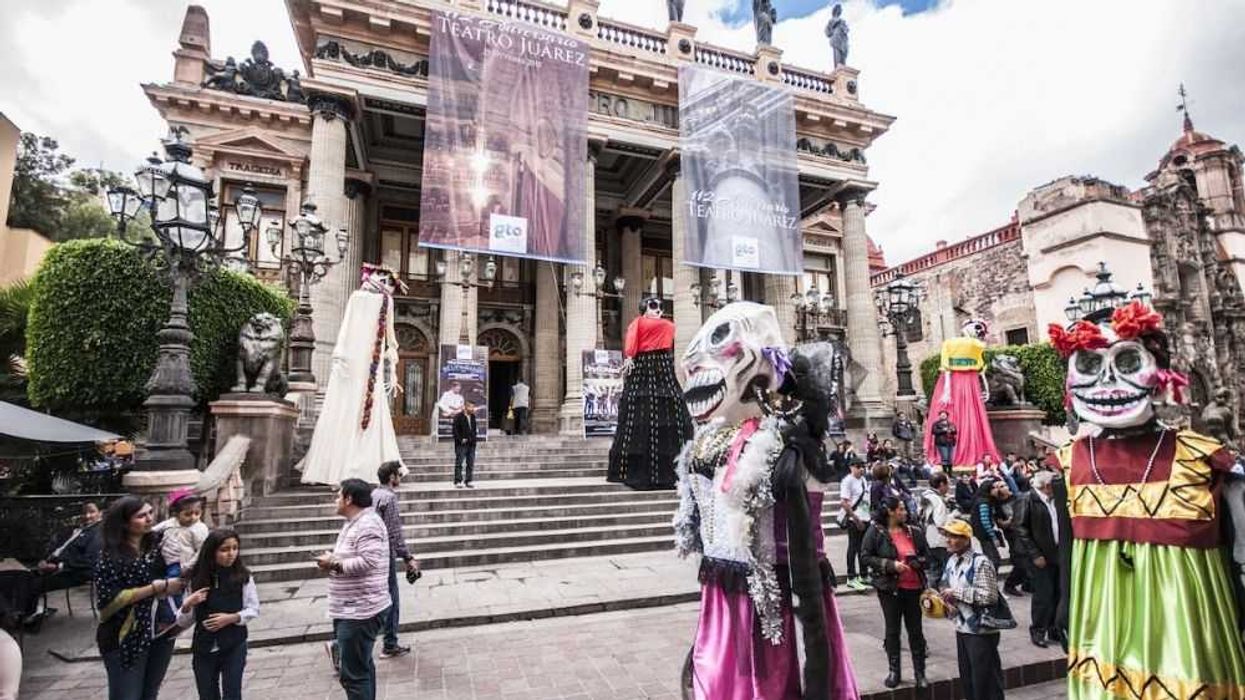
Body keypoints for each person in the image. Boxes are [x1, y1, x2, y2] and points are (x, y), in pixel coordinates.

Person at [1045, 299, 1245, 699]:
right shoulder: (1069, 463)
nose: (1107, 384)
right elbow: (1067, 546)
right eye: (1089, 366)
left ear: (1160, 374)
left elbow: (1238, 548)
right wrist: (1064, 603)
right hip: (1102, 626)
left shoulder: (1203, 459)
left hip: (1187, 631)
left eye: (1127, 363)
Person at [675, 304, 858, 699]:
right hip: (723, 589)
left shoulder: (783, 444)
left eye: (718, 343)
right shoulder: (710, 440)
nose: (691, 365)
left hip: (771, 594)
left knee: (767, 681)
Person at [300, 264, 405, 485]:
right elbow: (346, 327)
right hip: (352, 361)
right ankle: (340, 467)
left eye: (389, 281)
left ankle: (362, 465)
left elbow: (391, 339)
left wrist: (393, 370)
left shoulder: (386, 302)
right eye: (382, 278)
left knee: (363, 410)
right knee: (345, 407)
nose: (385, 283)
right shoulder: (357, 297)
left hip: (369, 366)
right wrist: (339, 355)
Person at [95, 496, 185, 700]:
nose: (149, 519)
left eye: (150, 513)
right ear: (124, 523)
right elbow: (108, 603)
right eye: (141, 515)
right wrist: (154, 588)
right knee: (126, 695)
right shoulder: (110, 557)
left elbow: (178, 574)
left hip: (160, 629)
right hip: (124, 635)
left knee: (150, 692)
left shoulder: (160, 544)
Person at [315, 479, 390, 700]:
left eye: (338, 495)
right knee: (361, 667)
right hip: (350, 607)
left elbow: (368, 561)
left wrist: (334, 563)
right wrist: (333, 559)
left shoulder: (368, 524)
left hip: (361, 610)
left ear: (349, 499)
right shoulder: (355, 522)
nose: (336, 500)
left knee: (353, 675)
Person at [608, 297, 693, 490]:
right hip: (656, 365)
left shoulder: (651, 324)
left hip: (652, 364)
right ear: (644, 308)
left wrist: (631, 354)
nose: (658, 310)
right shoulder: (656, 324)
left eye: (661, 307)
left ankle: (665, 472)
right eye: (654, 306)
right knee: (654, 411)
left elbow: (635, 338)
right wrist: (630, 355)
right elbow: (634, 340)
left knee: (648, 411)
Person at [176, 529, 259, 700]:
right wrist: (187, 605)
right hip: (204, 645)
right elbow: (184, 621)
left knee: (232, 692)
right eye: (224, 550)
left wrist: (232, 618)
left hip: (234, 643)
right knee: (207, 693)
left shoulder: (243, 577)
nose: (231, 554)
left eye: (235, 548)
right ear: (212, 551)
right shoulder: (197, 579)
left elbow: (253, 608)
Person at [861, 497, 930, 690]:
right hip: (890, 589)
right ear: (891, 512)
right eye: (901, 509)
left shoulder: (914, 531)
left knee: (916, 630)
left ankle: (920, 673)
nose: (905, 512)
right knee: (892, 630)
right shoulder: (876, 532)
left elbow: (928, 557)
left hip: (914, 588)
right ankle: (894, 671)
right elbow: (865, 556)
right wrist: (890, 565)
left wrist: (919, 562)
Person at [937, 519, 1005, 700]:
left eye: (953, 536)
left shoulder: (980, 562)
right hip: (961, 628)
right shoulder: (951, 561)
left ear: (966, 539)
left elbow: (989, 596)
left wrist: (957, 593)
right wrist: (945, 601)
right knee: (968, 680)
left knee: (986, 682)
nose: (948, 540)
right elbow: (945, 585)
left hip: (981, 631)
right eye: (947, 536)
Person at [15, 502, 102, 622]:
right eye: (85, 512)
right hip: (54, 564)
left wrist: (57, 567)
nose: (87, 516)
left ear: (100, 513)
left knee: (33, 585)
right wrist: (44, 560)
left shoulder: (98, 533)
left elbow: (89, 561)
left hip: (75, 572)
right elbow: (57, 548)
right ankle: (26, 611)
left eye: (92, 512)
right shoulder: (77, 529)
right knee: (18, 577)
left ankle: (27, 617)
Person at [372, 461, 419, 658]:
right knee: (392, 598)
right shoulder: (389, 498)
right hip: (385, 554)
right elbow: (393, 532)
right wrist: (408, 557)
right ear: (392, 477)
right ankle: (390, 643)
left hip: (372, 553)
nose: (400, 478)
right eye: (398, 475)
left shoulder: (374, 495)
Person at [1012, 470, 1060, 648]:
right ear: (1047, 486)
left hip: (1057, 553)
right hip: (1039, 556)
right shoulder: (1027, 499)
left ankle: (1055, 629)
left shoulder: (1055, 500)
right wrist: (1035, 554)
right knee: (1043, 595)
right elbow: (1020, 529)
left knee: (1058, 593)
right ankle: (1038, 630)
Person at [152, 489, 208, 626]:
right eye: (188, 514)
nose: (193, 517)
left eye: (197, 513)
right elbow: (153, 530)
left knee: (171, 589)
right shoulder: (171, 523)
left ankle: (172, 617)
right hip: (165, 561)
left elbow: (201, 551)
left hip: (181, 564)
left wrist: (188, 567)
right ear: (176, 514)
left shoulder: (199, 529)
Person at [969, 478, 1010, 574]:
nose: (997, 490)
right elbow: (985, 521)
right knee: (994, 560)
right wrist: (993, 537)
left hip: (982, 533)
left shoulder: (985, 500)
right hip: (985, 534)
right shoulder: (984, 502)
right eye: (995, 488)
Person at [840, 460, 870, 591]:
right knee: (853, 547)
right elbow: (844, 503)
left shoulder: (863, 480)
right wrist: (856, 518)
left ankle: (863, 574)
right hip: (854, 519)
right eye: (858, 467)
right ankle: (851, 577)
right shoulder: (848, 481)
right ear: (851, 467)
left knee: (863, 548)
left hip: (866, 517)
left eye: (863, 467)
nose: (861, 469)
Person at [919, 472, 953, 585]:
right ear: (942, 484)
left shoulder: (926, 497)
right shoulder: (937, 500)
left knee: (935, 570)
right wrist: (954, 515)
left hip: (929, 537)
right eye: (948, 484)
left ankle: (931, 595)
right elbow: (940, 522)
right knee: (949, 567)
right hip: (940, 539)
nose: (949, 487)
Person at [452, 402, 479, 488]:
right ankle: (458, 481)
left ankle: (469, 480)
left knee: (470, 463)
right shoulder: (458, 417)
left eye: (473, 407)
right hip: (461, 444)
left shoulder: (473, 417)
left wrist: (474, 439)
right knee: (459, 462)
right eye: (471, 407)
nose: (473, 409)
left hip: (471, 444)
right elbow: (455, 431)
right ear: (465, 407)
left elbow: (474, 430)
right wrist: (460, 439)